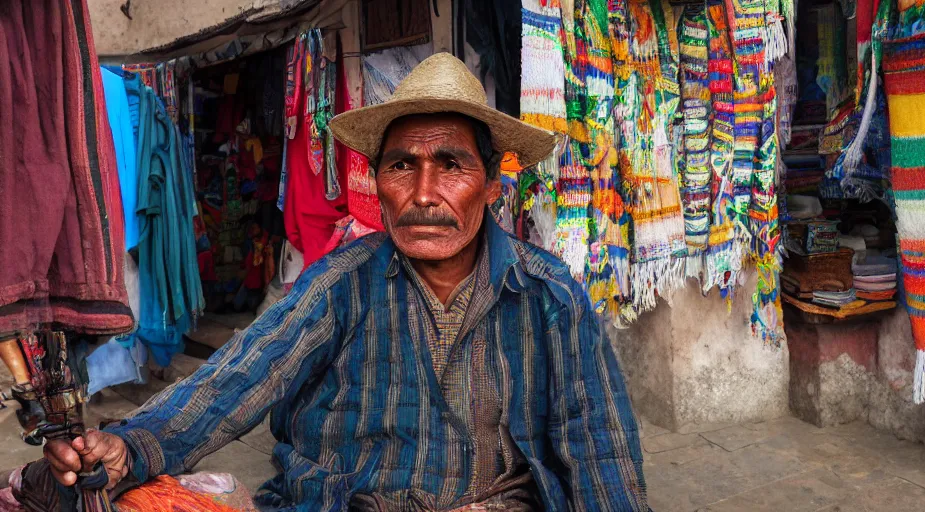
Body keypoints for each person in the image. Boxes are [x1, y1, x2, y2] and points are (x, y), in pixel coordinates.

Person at [32, 53, 649, 511]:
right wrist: (133, 444)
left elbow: (597, 444)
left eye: (452, 166)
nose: (424, 193)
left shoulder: (547, 294)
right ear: (377, 182)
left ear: (491, 186)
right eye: (402, 166)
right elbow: (237, 380)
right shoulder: (341, 284)